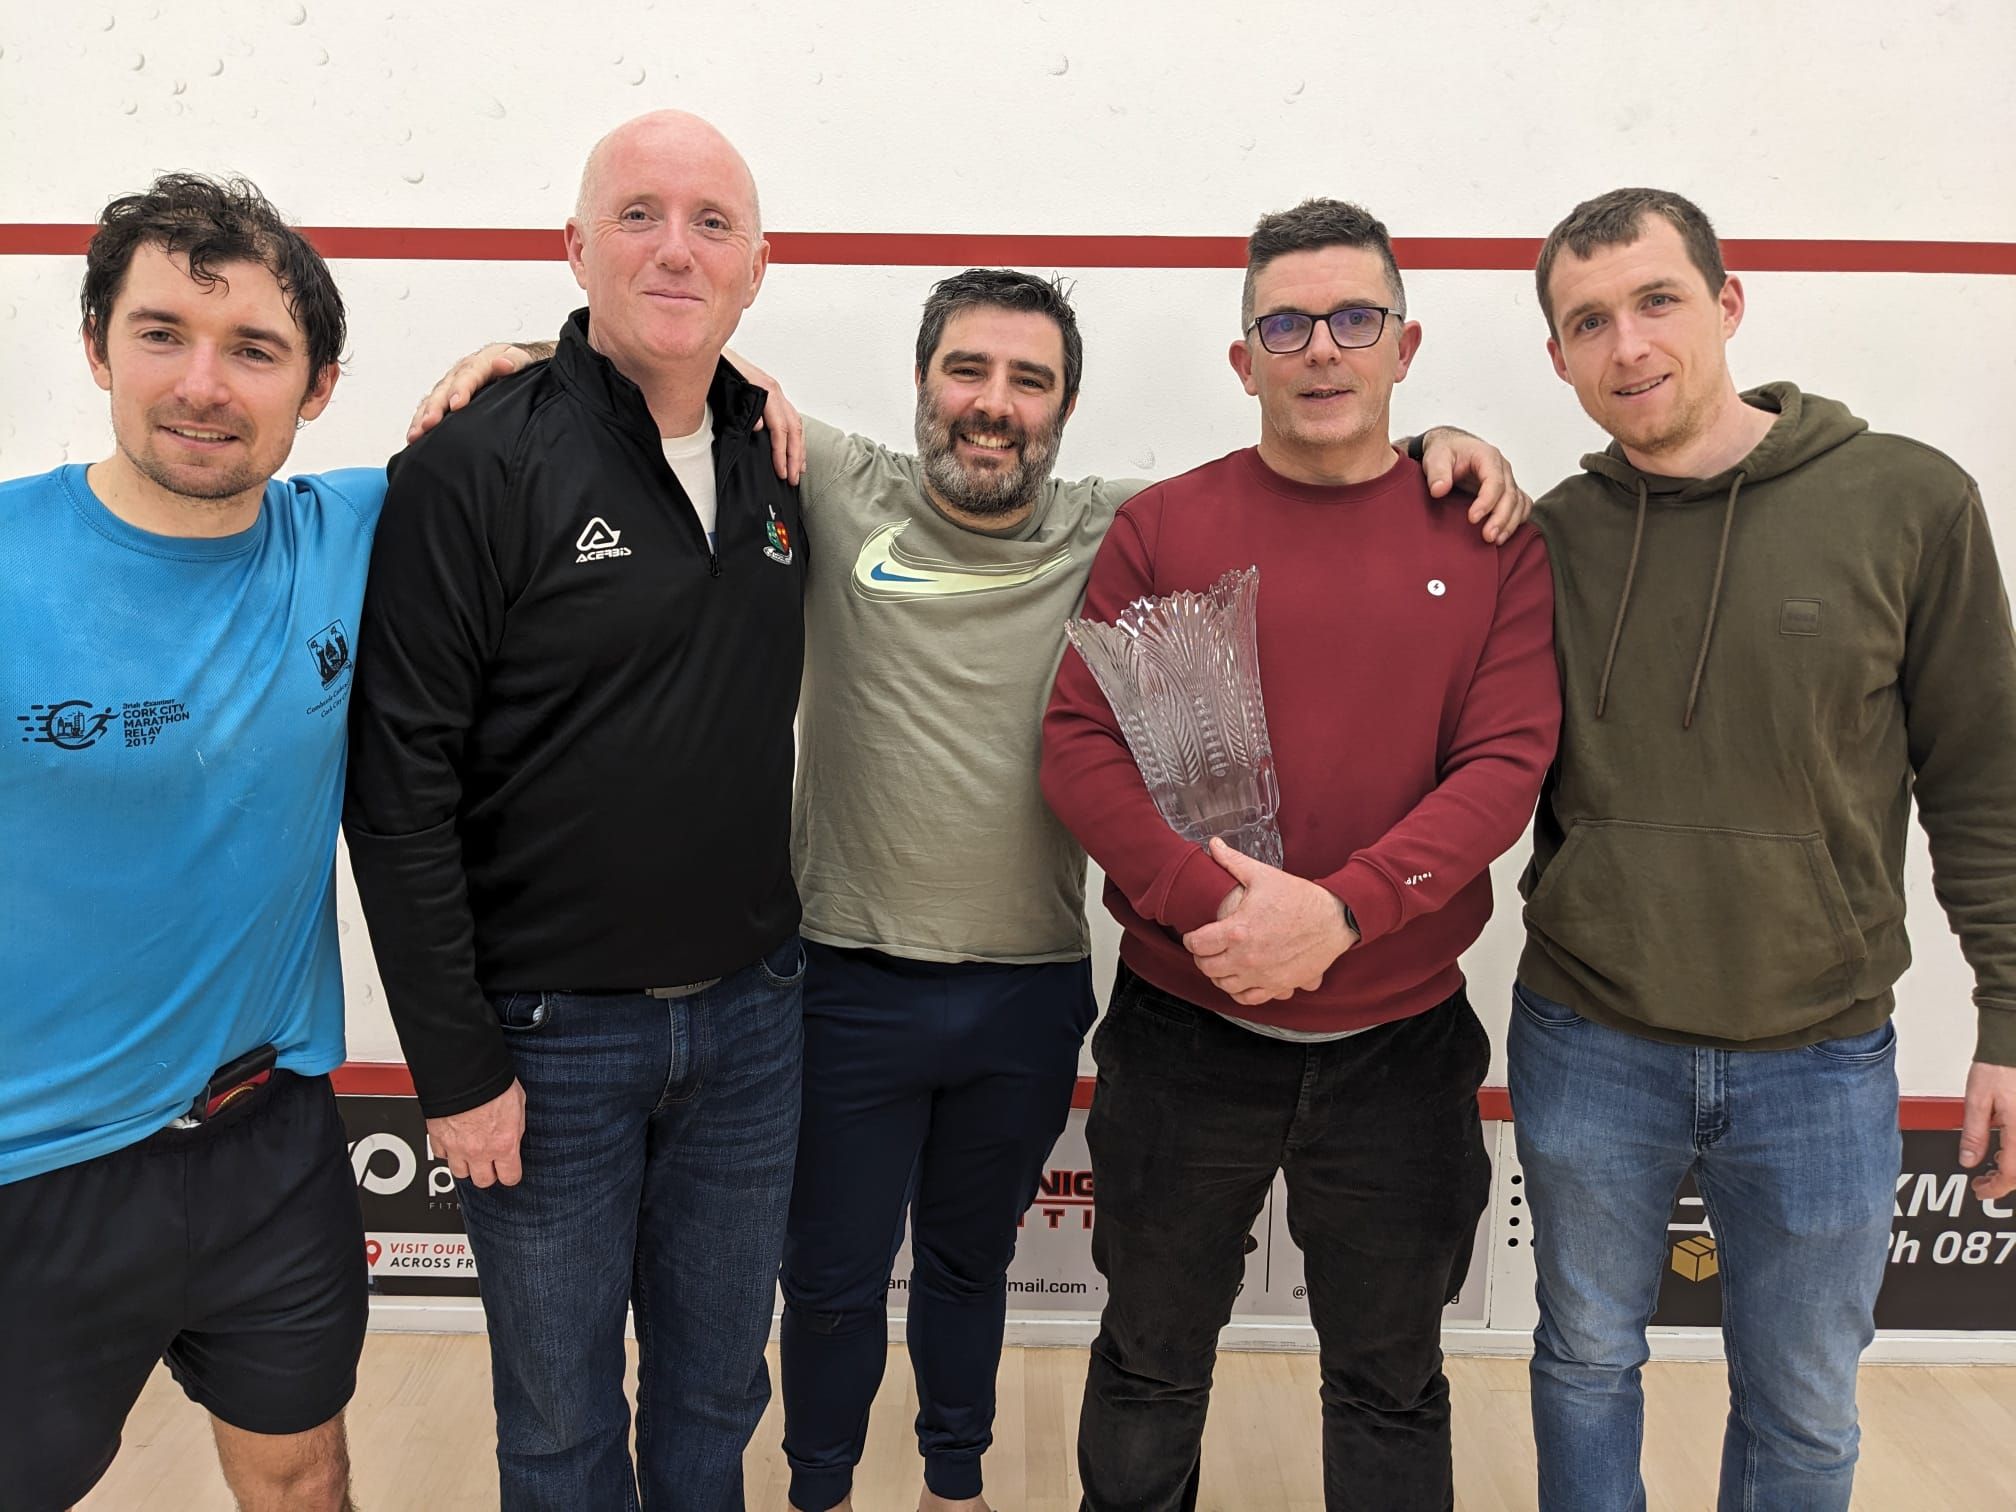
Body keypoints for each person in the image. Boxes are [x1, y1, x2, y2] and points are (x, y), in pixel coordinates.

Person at [415, 259, 1529, 1510]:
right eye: (967, 370)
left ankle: (956, 1485)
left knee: (968, 1265)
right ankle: (822, 1491)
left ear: (1064, 409)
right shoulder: (830, 481)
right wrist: (523, 359)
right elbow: (671, 371)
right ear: (921, 381)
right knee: (829, 1281)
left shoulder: (1126, 524)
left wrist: (1438, 444)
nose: (994, 402)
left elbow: (1307, 473)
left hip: (1027, 988)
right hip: (841, 979)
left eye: (1029, 380)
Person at [1040, 197, 1562, 1512]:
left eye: (1354, 319)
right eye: (1286, 324)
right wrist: (1213, 910)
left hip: (1401, 1055)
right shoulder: (1165, 528)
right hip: (1184, 1032)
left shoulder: (1489, 539)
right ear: (1244, 359)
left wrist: (1341, 915)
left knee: (1390, 1382)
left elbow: (1505, 764)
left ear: (1404, 345)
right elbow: (1080, 747)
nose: (1321, 347)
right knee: (1149, 1364)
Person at [1511, 186, 2016, 1512]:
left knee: (1801, 1409)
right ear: (1558, 356)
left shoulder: (1910, 500)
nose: (1629, 344)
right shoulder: (1548, 539)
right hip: (1589, 1035)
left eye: (1658, 300)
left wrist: (2009, 1017)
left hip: (1820, 1054)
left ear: (1728, 304)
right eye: (1589, 322)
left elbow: (1983, 779)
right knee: (1583, 1364)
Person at [343, 110, 808, 1511]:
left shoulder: (776, 458)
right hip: (547, 1048)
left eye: (712, 224)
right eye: (638, 215)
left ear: (756, 267)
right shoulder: (474, 463)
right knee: (558, 1426)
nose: (676, 249)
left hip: (752, 1025)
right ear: (575, 247)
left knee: (716, 1399)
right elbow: (398, 785)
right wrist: (454, 1067)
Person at [0, 173, 374, 1512]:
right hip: (33, 1169)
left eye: (254, 349)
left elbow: (542, 438)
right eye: (162, 333)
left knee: (302, 1474)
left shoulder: (352, 534)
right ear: (98, 348)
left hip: (269, 1141)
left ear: (317, 387)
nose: (204, 385)